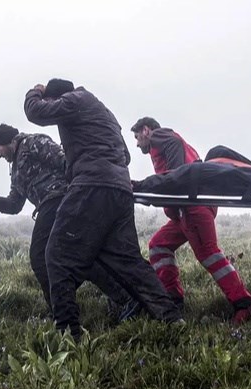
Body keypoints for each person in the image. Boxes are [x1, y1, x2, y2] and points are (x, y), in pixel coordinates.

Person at [23, 79, 182, 340]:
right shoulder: (104, 113)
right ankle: (171, 318)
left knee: (56, 255)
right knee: (128, 261)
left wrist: (35, 92)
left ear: (58, 97)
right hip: (118, 190)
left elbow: (35, 112)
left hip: (91, 187)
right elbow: (126, 156)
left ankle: (68, 333)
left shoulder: (75, 100)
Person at [0, 123, 133, 316]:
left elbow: (65, 161)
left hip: (60, 199)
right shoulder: (16, 171)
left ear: (8, 141)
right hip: (49, 206)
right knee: (77, 256)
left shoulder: (33, 142)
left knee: (39, 256)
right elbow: (15, 204)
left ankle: (60, 310)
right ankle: (122, 298)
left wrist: (82, 192)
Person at [128, 117, 251, 325]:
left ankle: (243, 303)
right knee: (158, 245)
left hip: (192, 208)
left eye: (136, 137)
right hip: (184, 211)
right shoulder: (176, 147)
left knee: (208, 254)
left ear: (146, 130)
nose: (137, 143)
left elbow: (176, 166)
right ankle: (173, 298)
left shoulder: (161, 136)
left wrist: (174, 176)